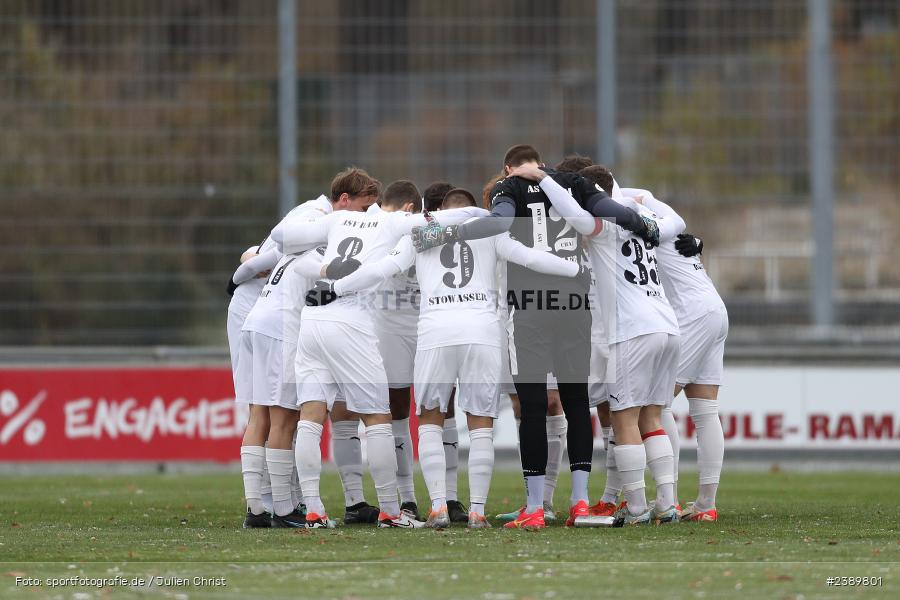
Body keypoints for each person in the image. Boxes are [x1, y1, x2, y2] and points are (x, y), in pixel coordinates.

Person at [411, 145, 659, 529]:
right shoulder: (573, 182)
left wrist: (446, 231)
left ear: (508, 168)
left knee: (532, 407)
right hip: (574, 305)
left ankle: (535, 507)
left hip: (530, 308)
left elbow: (499, 223)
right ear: (542, 164)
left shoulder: (508, 187)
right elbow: (610, 209)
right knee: (576, 403)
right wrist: (645, 224)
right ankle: (579, 502)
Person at [332, 188, 589, 528]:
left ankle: (438, 507)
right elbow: (531, 258)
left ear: (442, 210)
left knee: (430, 418)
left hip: (436, 330)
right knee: (481, 420)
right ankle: (477, 511)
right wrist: (573, 269)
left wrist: (336, 288)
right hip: (481, 331)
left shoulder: (419, 234)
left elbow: (383, 268)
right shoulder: (492, 232)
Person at [271, 172, 483, 528]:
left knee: (311, 414)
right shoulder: (391, 221)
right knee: (377, 418)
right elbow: (449, 219)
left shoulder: (336, 219)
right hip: (351, 322)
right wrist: (484, 214)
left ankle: (314, 510)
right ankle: (390, 510)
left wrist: (325, 266)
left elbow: (281, 236)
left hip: (313, 320)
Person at [508, 162, 681, 526]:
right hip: (667, 325)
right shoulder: (645, 216)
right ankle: (667, 503)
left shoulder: (603, 225)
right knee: (652, 416)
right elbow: (677, 223)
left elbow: (575, 214)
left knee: (624, 418)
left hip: (633, 328)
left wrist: (544, 178)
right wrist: (646, 197)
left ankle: (637, 508)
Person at [623, 191, 728, 523]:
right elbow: (657, 205)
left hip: (691, 313)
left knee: (655, 406)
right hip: (714, 307)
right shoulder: (656, 212)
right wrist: (696, 241)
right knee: (705, 411)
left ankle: (668, 499)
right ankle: (705, 505)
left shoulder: (626, 216)